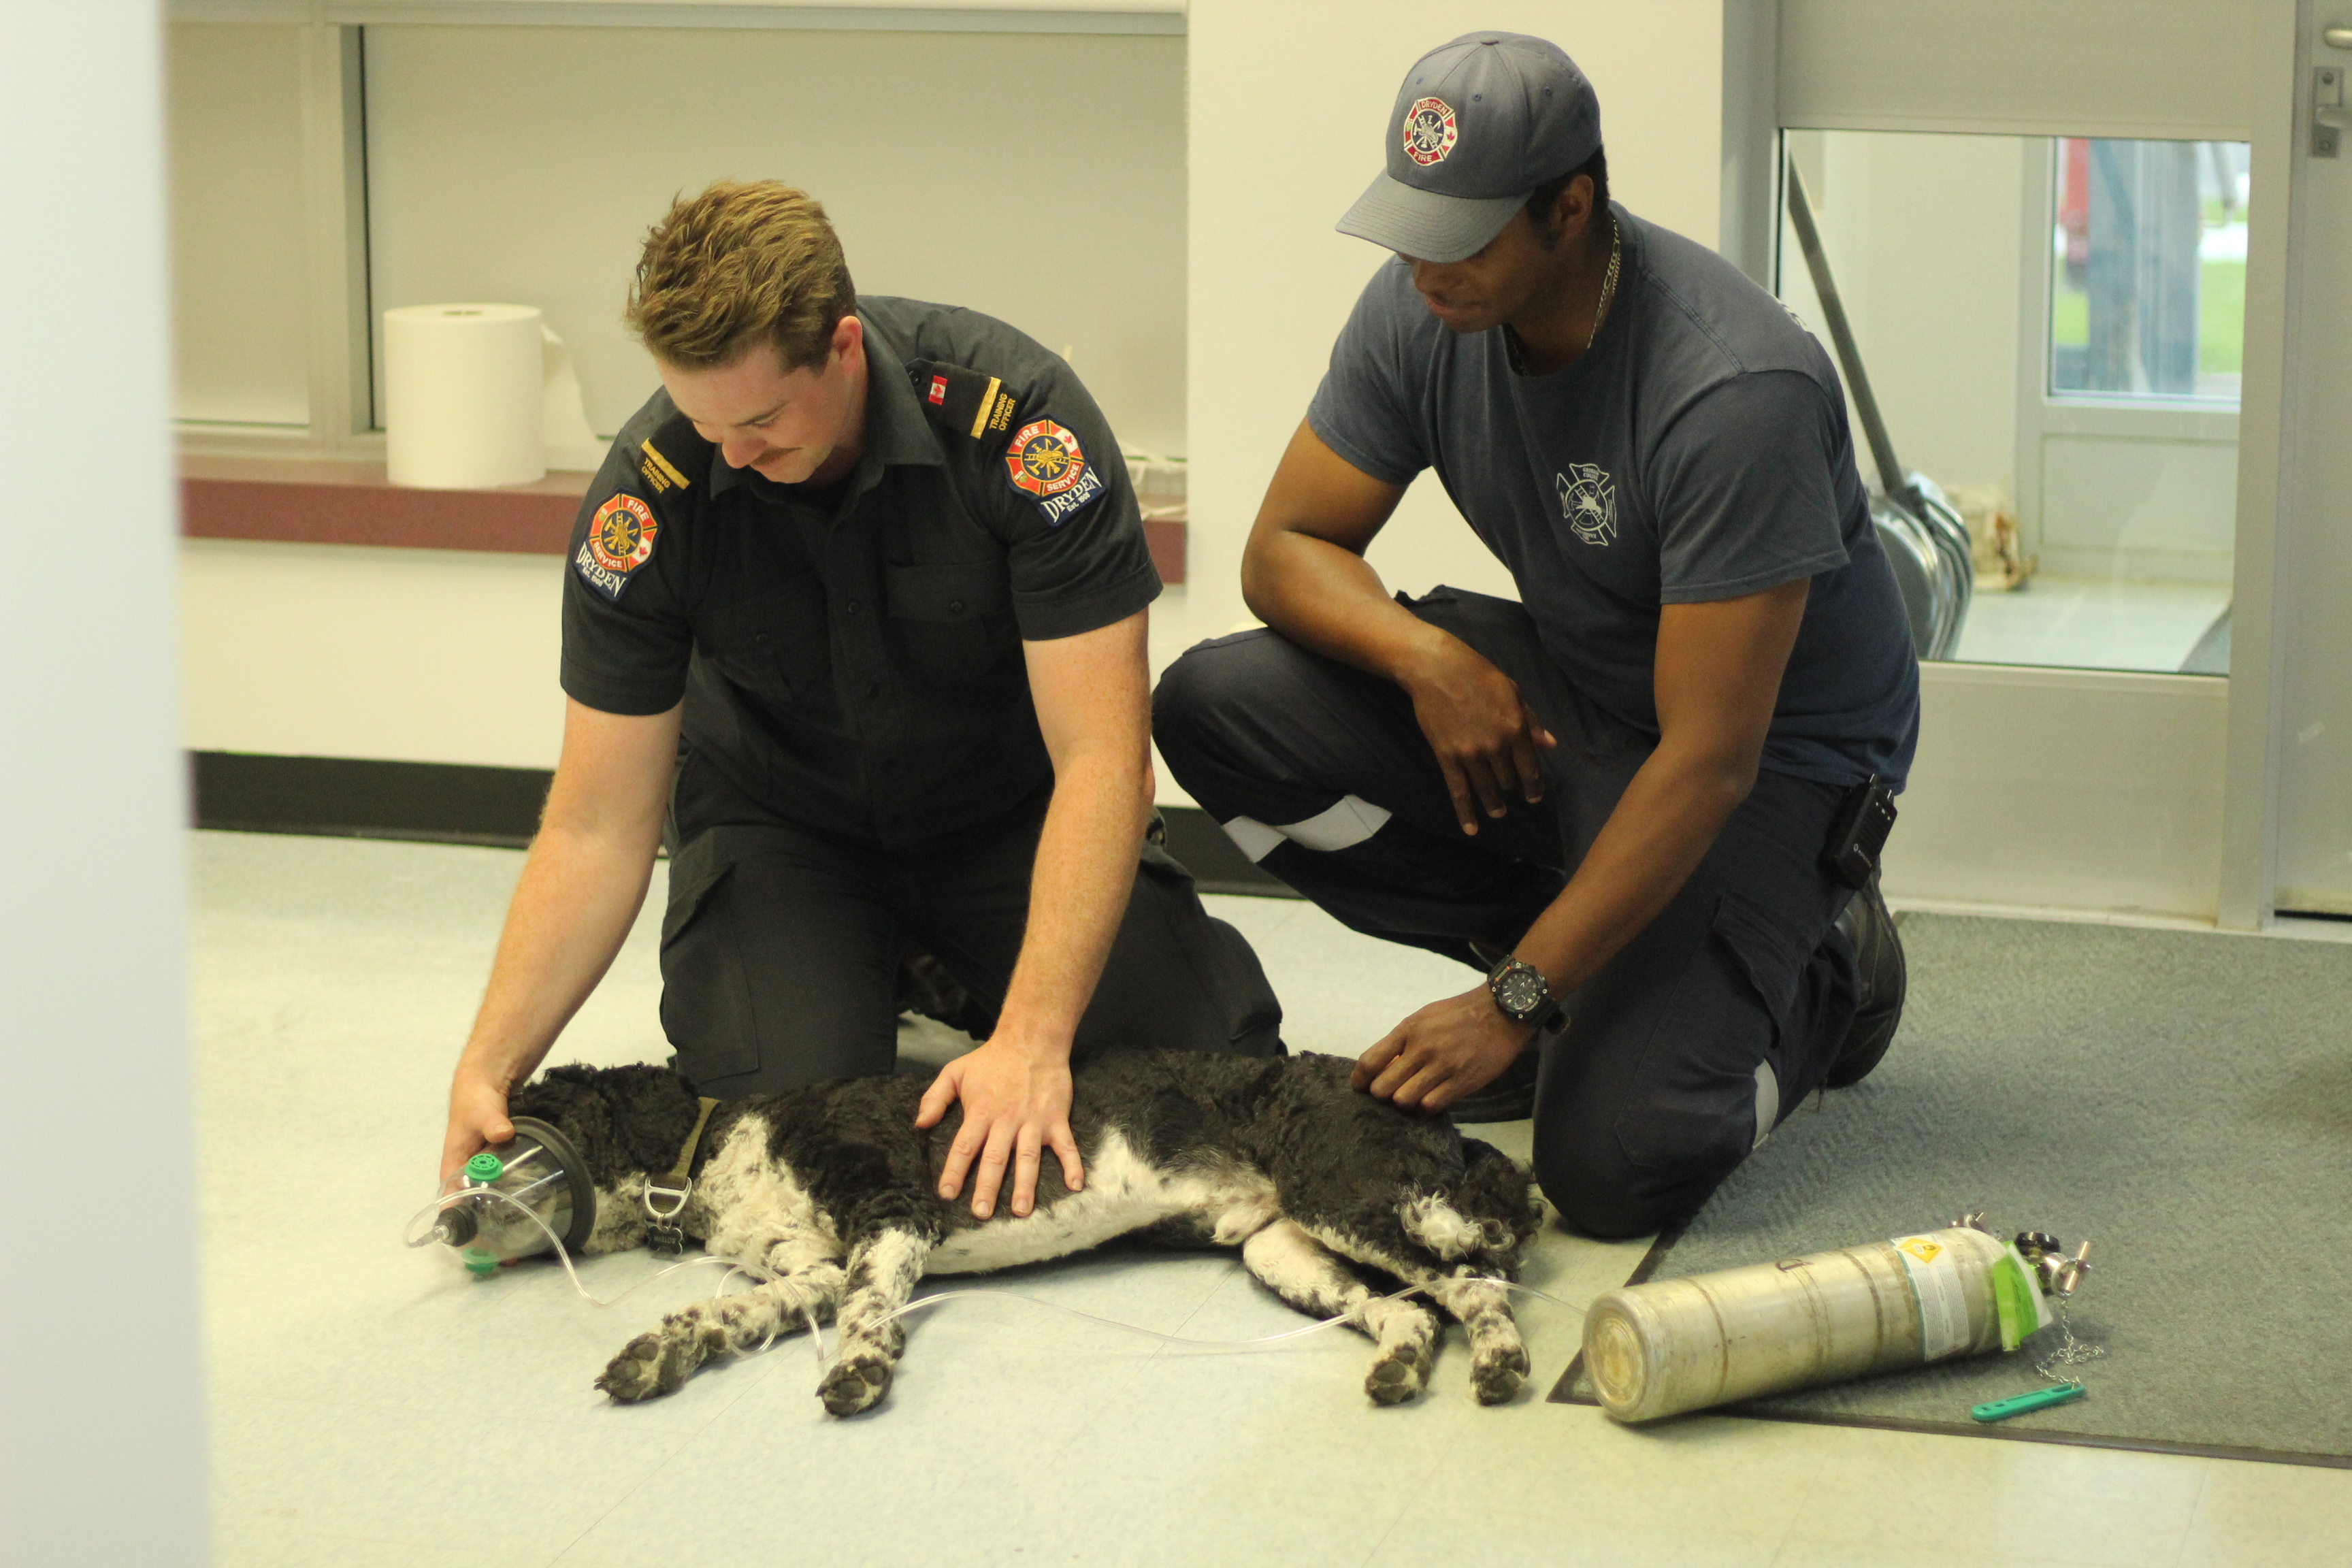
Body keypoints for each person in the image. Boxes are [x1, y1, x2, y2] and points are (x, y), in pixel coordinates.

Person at [1152, 33, 1917, 1239]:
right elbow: (1283, 551)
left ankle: (1826, 978)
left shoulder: (1733, 391)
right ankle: (1582, 972)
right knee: (1217, 707)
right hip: (1590, 686)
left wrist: (1509, 1003)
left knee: (1617, 1164)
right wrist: (1431, 660)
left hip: (1772, 768)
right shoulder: (1425, 312)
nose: (1420, 268)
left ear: (1571, 208)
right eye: (1408, 229)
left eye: (1458, 237)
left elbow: (1711, 758)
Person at [440, 180, 1282, 1221]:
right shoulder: (646, 499)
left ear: (842, 348)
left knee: (1216, 1070)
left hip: (1006, 818)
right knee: (790, 1134)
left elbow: (1102, 760)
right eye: (703, 423)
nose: (731, 456)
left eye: (759, 421)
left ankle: (957, 976)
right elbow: (597, 824)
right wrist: (491, 1062)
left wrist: (1030, 1041)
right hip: (783, 827)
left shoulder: (1017, 424)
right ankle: (864, 967)